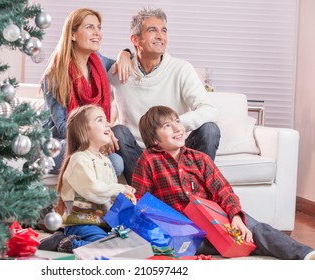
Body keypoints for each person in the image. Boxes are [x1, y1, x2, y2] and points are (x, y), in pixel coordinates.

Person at [131, 105, 315, 260]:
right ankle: (239, 245)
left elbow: (223, 190)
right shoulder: (149, 160)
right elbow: (140, 201)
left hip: (214, 219)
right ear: (155, 139)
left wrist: (235, 216)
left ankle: (305, 255)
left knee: (255, 229)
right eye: (167, 125)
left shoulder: (200, 159)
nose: (177, 128)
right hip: (182, 229)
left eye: (177, 121)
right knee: (186, 244)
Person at [108, 7, 220, 184]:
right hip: (141, 155)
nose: (160, 36)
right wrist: (123, 54)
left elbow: (210, 110)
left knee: (210, 129)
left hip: (177, 151)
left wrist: (172, 126)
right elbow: (95, 105)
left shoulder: (181, 69)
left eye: (164, 30)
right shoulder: (119, 72)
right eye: (152, 30)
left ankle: (193, 193)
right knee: (118, 131)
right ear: (135, 39)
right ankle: (152, 194)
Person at [40, 8, 132, 176]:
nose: (97, 33)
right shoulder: (55, 74)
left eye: (99, 27)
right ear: (73, 35)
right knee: (113, 163)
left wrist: (125, 53)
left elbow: (123, 63)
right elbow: (63, 127)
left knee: (116, 162)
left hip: (90, 139)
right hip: (57, 143)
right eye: (90, 27)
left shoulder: (100, 62)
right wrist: (98, 136)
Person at [38, 105, 136, 253]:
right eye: (100, 120)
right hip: (82, 223)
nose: (107, 124)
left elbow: (107, 196)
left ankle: (92, 242)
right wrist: (120, 188)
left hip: (103, 224)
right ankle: (64, 243)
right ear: (84, 130)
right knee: (107, 250)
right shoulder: (79, 159)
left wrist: (124, 197)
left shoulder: (105, 160)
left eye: (106, 120)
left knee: (129, 244)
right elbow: (93, 190)